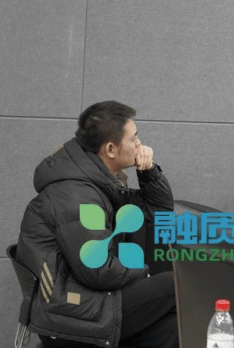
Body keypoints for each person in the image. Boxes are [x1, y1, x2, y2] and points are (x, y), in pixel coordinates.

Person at [15, 101, 177, 347]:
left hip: (91, 298)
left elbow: (158, 212)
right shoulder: (77, 196)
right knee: (176, 285)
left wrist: (148, 171)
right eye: (134, 138)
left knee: (173, 327)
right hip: (69, 312)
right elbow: (98, 270)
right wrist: (144, 273)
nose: (139, 144)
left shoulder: (98, 182)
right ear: (111, 149)